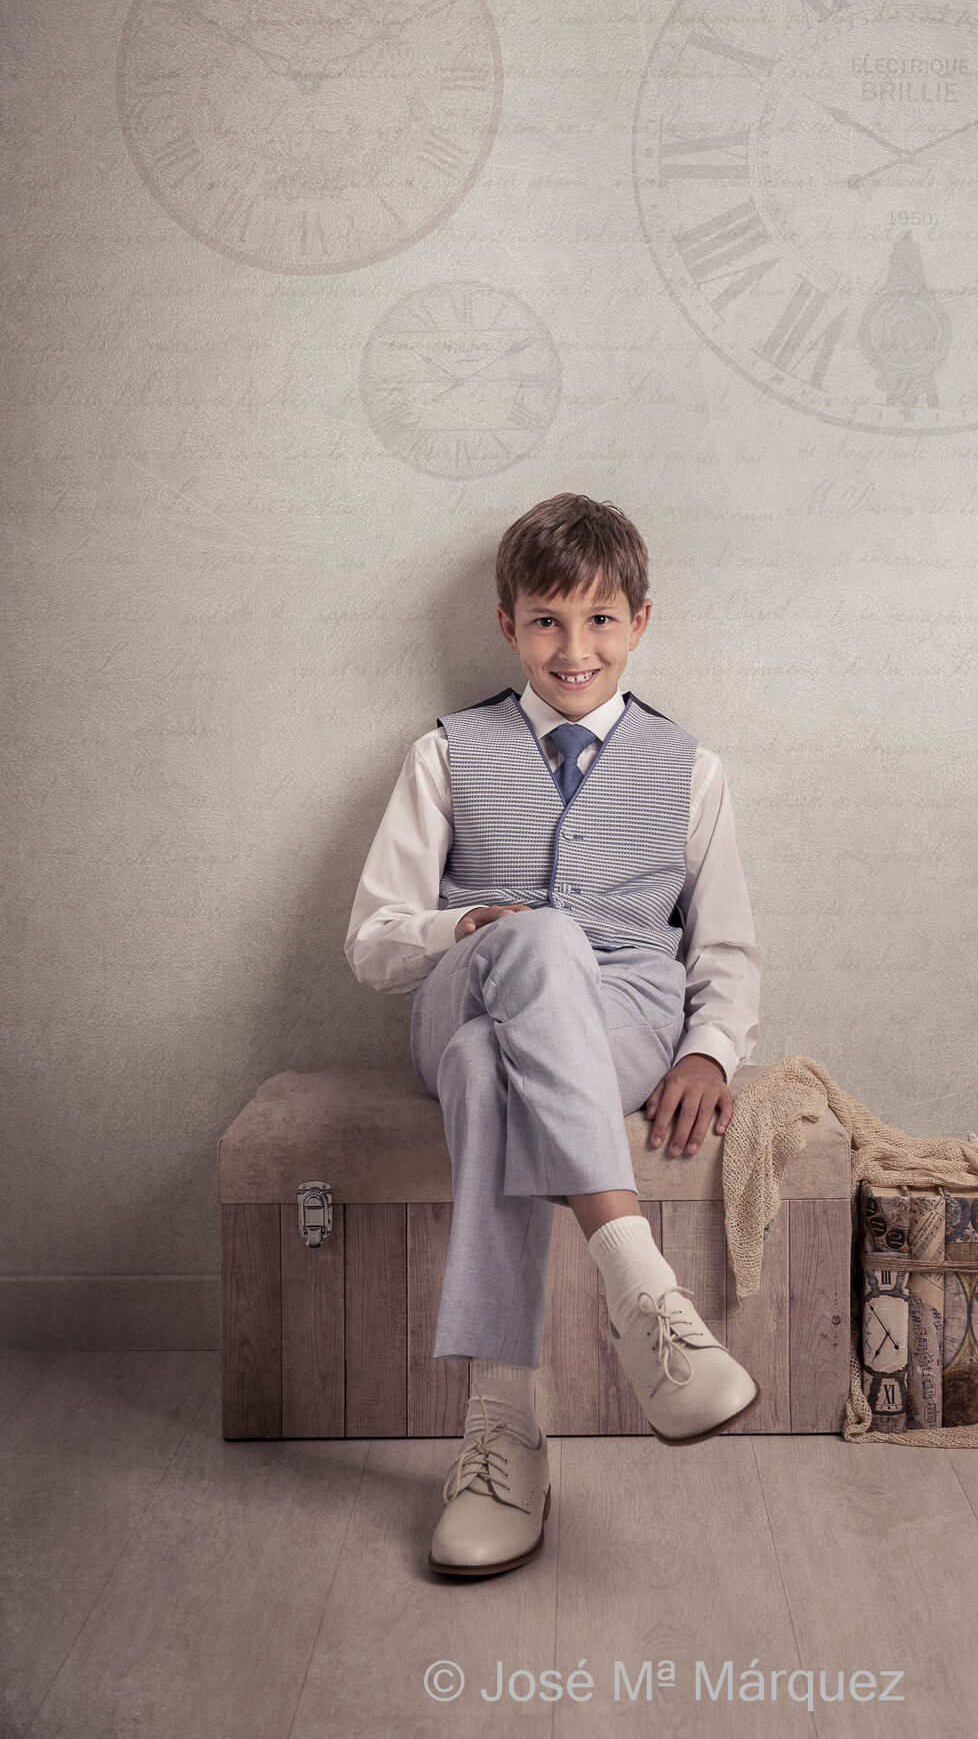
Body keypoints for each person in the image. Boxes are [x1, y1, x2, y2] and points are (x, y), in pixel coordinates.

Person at [344, 492, 762, 1578]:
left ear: (640, 621)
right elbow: (376, 942)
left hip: (622, 1012)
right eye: (545, 621)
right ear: (507, 624)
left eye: (599, 622)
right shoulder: (444, 752)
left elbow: (724, 952)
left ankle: (503, 1430)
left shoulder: (693, 771)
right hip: (463, 990)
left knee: (497, 1062)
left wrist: (711, 1046)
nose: (573, 650)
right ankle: (642, 1289)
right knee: (529, 951)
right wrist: (462, 925)